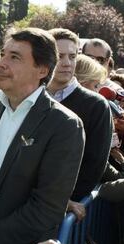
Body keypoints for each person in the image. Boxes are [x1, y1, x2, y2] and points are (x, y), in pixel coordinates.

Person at [0, 28, 85, 244]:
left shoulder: (64, 124)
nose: (1, 63)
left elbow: (47, 205)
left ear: (42, 70)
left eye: (14, 57)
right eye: (3, 54)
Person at [47, 29, 112, 214]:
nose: (67, 63)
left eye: (72, 56)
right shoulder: (31, 98)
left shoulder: (96, 105)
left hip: (65, 209)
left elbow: (94, 165)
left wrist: (62, 201)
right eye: (60, 56)